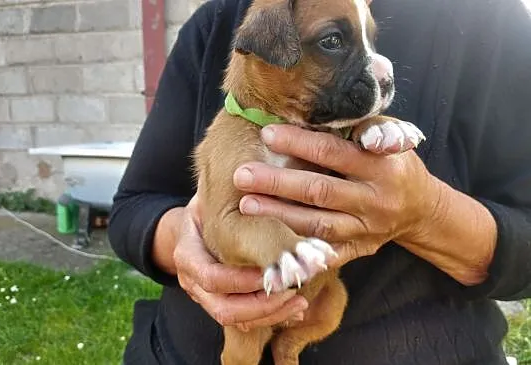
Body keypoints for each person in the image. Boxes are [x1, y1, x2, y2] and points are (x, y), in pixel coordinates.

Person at [108, 0, 531, 363]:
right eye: (332, 43)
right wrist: (183, 242)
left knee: (328, 308)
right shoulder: (222, 20)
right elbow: (133, 208)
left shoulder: (489, 18)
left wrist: (427, 213)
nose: (382, 73)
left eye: (370, 44)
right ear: (270, 49)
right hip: (198, 344)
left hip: (403, 337)